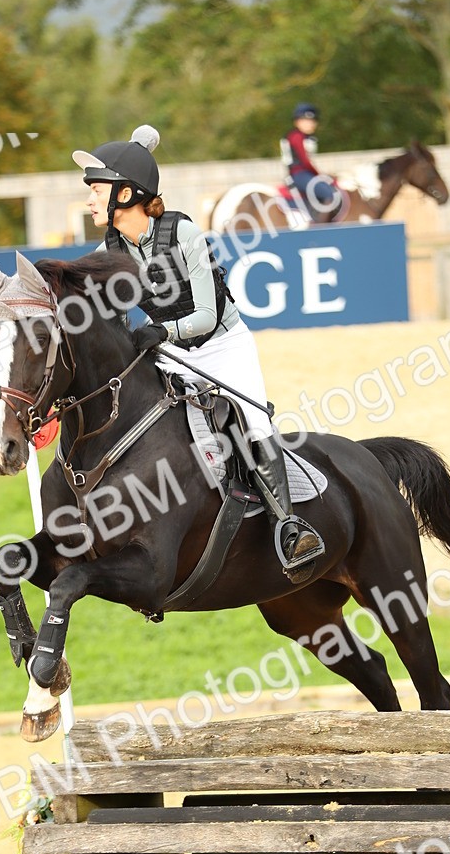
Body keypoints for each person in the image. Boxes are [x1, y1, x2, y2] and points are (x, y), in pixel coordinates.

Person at [72, 125, 323, 577]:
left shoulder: (182, 231)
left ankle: (289, 525)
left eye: (96, 190)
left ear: (125, 193)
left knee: (253, 421)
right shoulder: (108, 249)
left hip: (222, 345)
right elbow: (86, 305)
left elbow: (206, 316)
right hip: (172, 353)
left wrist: (160, 332)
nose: (89, 200)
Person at [279, 103, 337, 217]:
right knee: (329, 194)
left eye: (313, 121)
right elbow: (305, 161)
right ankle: (320, 228)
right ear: (297, 122)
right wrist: (321, 175)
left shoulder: (307, 138)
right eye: (306, 120)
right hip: (299, 174)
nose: (311, 124)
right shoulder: (296, 136)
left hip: (305, 174)